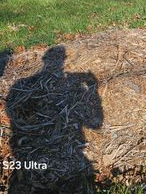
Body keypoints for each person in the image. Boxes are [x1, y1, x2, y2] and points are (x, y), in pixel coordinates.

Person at [6, 46, 103, 193]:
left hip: (30, 164)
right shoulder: (25, 86)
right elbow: (96, 124)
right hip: (61, 164)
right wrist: (93, 90)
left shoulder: (20, 85)